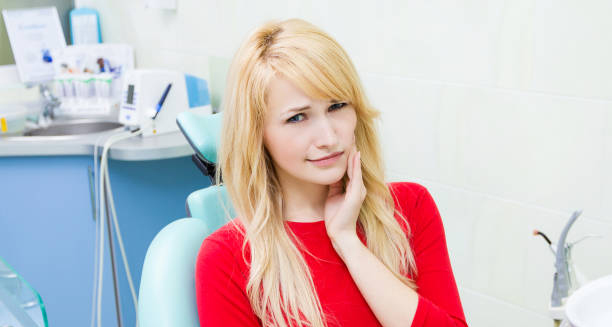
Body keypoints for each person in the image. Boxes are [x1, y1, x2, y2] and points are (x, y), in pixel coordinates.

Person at [195, 18, 468, 327]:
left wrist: (348, 242)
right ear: (257, 134)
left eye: (337, 106)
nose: (328, 137)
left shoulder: (410, 208)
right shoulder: (227, 260)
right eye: (297, 117)